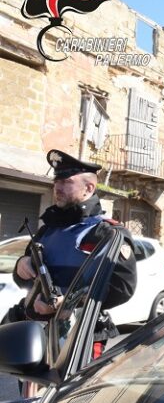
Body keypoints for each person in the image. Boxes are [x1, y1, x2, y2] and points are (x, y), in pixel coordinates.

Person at [12, 150, 137, 359]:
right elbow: (25, 281)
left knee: (72, 393)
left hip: (81, 337)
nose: (57, 188)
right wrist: (21, 266)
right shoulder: (46, 231)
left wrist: (71, 302)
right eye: (56, 181)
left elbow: (122, 287)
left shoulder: (107, 233)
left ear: (88, 188)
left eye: (66, 182)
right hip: (35, 336)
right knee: (32, 394)